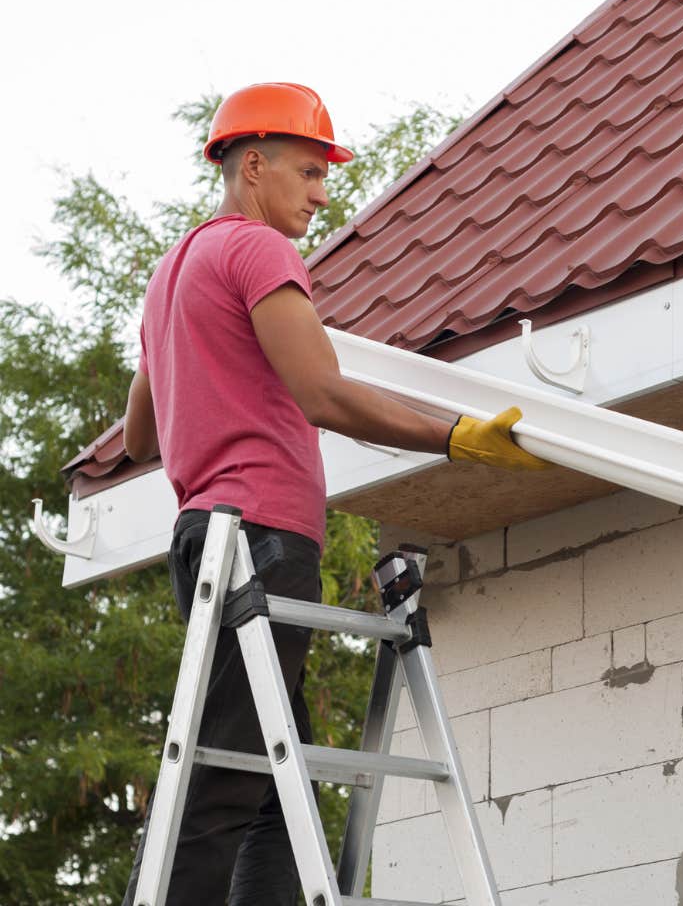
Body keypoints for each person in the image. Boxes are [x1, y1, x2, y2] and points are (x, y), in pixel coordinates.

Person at [121, 81, 551, 905]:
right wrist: (454, 434)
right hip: (260, 542)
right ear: (254, 165)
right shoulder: (256, 250)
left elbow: (140, 439)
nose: (323, 193)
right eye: (310, 171)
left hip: (203, 543)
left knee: (273, 797)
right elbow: (323, 392)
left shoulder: (171, 272)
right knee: (217, 788)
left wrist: (195, 371)